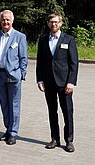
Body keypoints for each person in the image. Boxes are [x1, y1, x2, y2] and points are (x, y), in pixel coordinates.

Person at [36, 13, 78, 153]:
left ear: (60, 23)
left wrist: (71, 82)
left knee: (67, 112)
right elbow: (40, 62)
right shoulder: (42, 40)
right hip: (49, 83)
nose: (53, 24)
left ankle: (69, 141)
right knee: (52, 111)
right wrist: (40, 79)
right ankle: (55, 138)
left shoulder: (69, 39)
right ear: (48, 23)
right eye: (51, 22)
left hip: (65, 83)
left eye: (56, 22)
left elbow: (74, 63)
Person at [0, 9, 28, 145]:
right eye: (3, 19)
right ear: (0, 21)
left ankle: (13, 132)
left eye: (7, 19)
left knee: (14, 104)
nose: (5, 22)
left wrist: (21, 74)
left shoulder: (20, 36)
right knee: (4, 104)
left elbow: (24, 58)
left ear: (12, 20)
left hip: (13, 75)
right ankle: (8, 128)